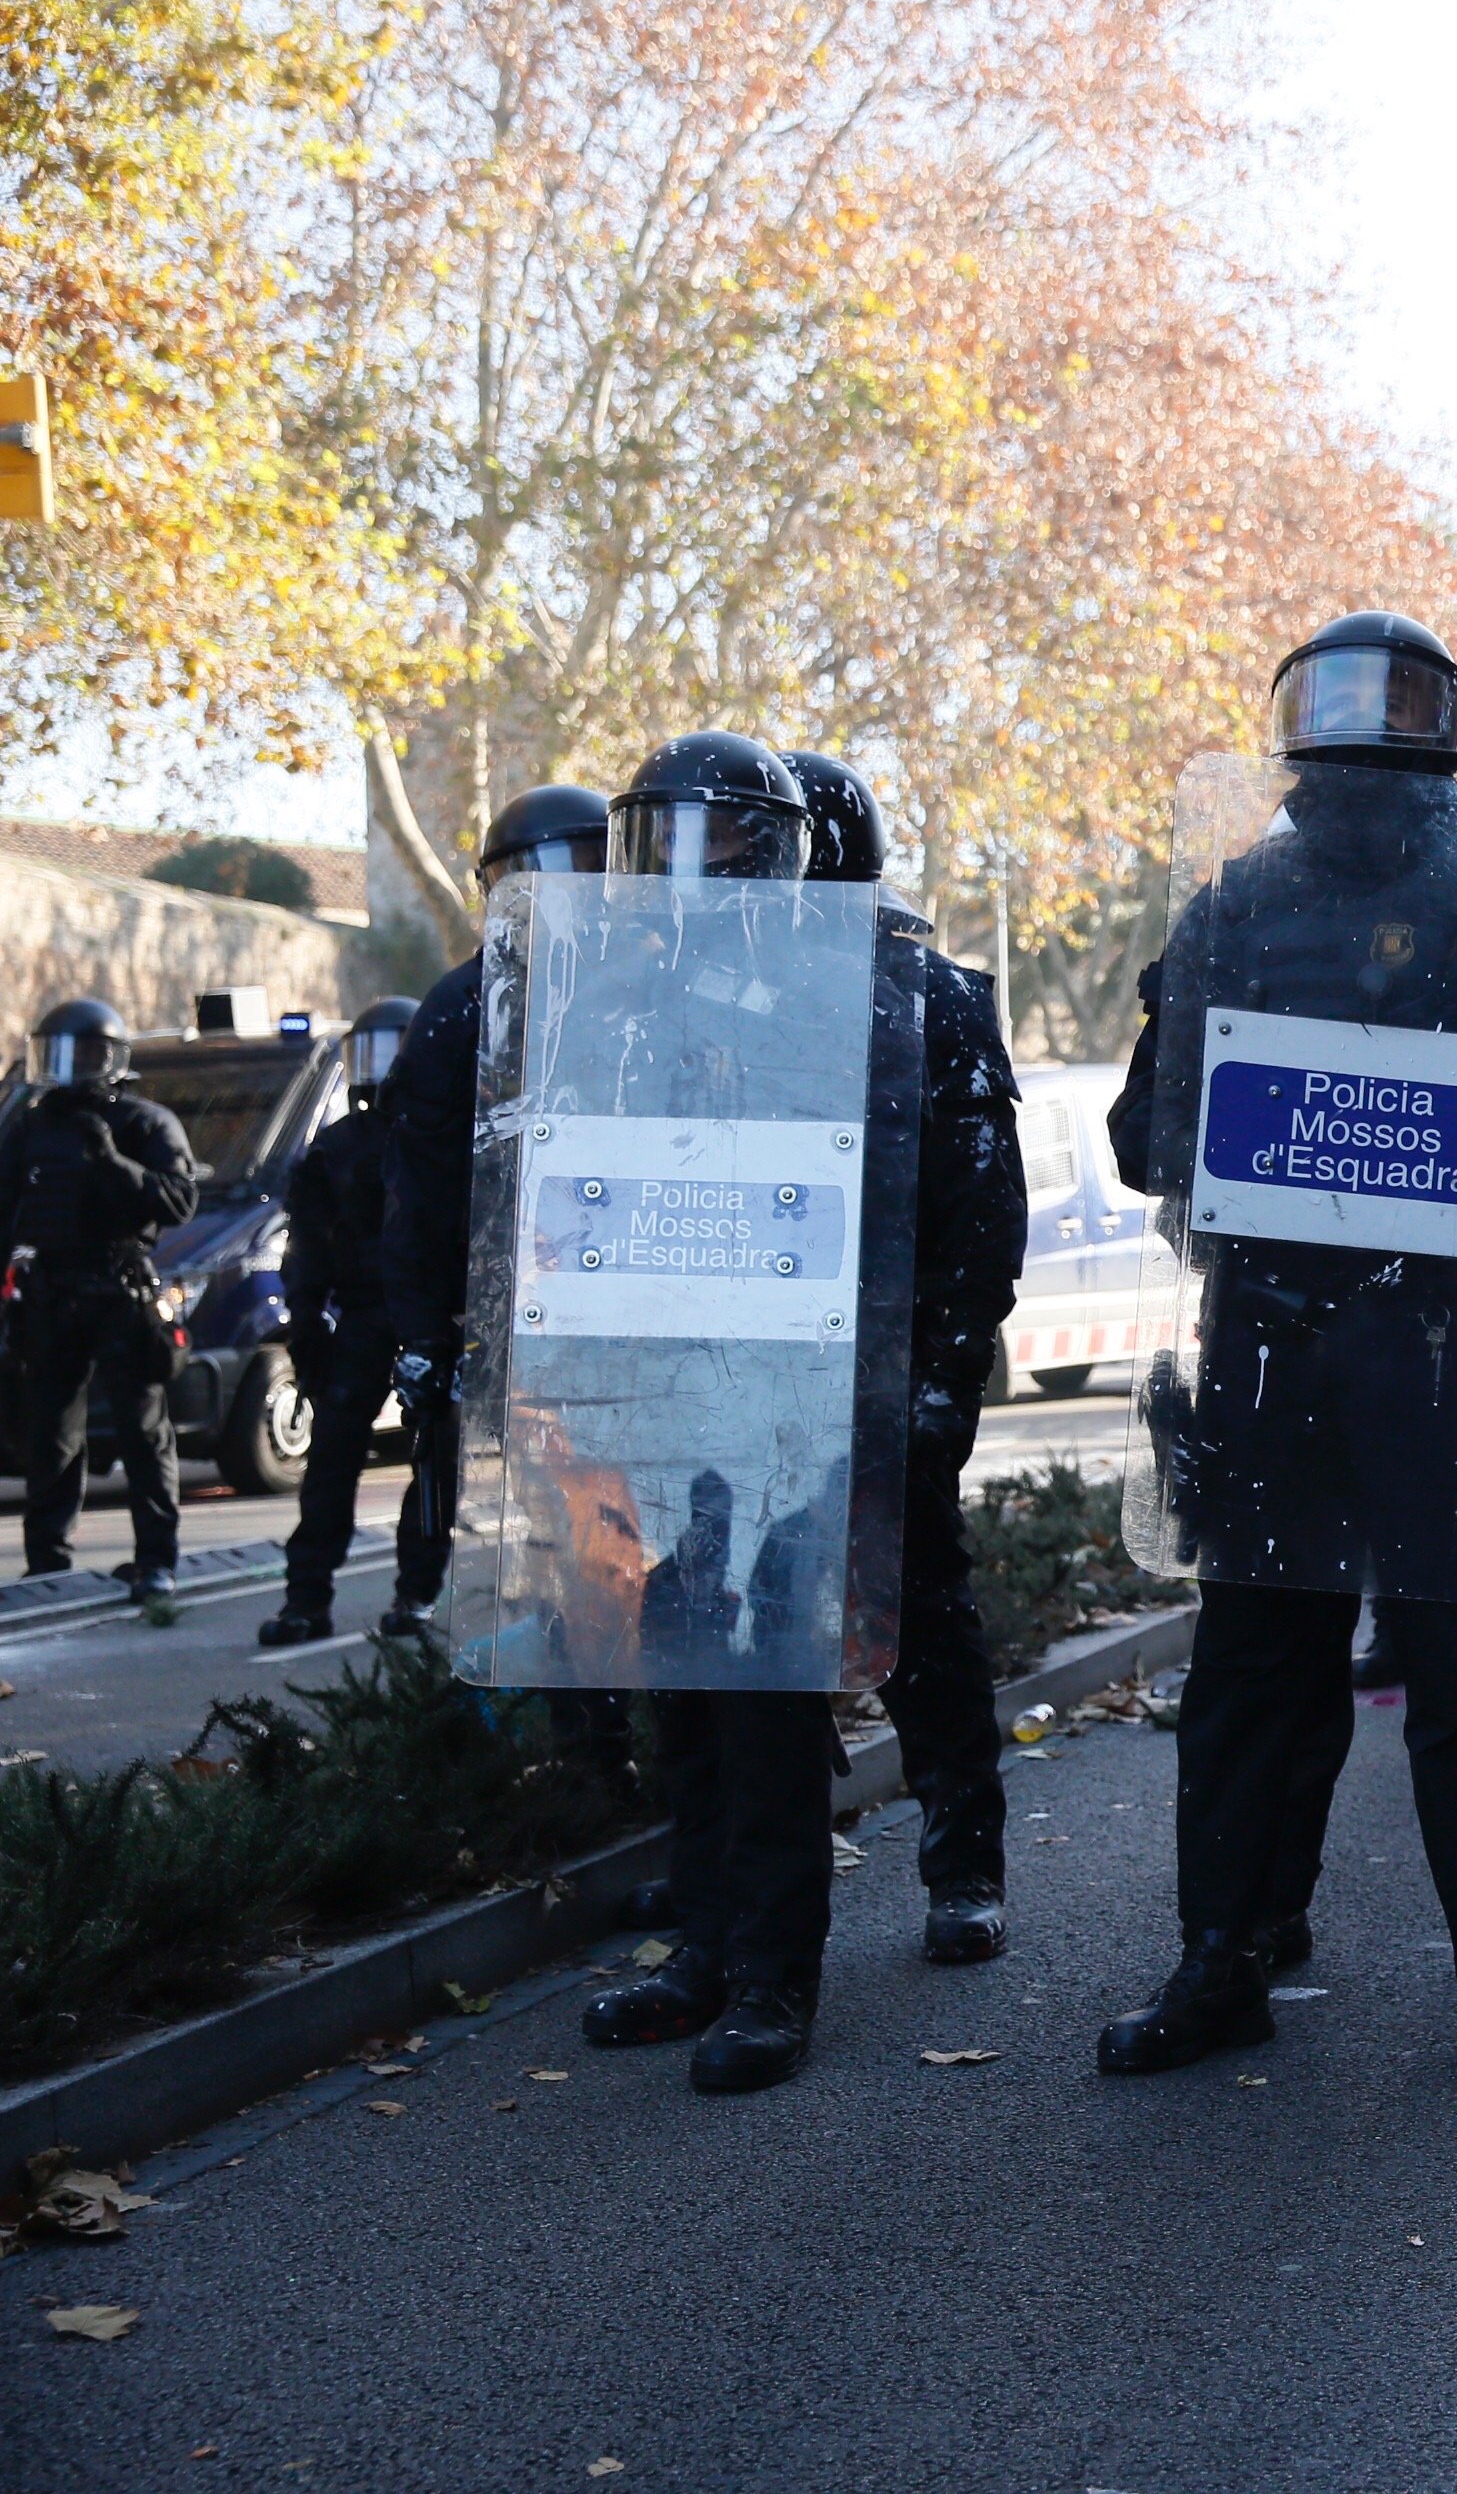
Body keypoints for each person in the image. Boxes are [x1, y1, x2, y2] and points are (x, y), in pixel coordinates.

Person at [1093, 610, 1457, 2092]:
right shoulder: (1230, 912)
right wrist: (1189, 1049)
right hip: (1270, 1345)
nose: (1360, 766)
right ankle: (1223, 1960)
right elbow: (1142, 1145)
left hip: (1436, 1349)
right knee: (1255, 1675)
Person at [559, 733, 985, 2091]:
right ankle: (701, 1945)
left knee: (767, 1690)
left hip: (807, 1383)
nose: (693, 872)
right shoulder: (629, 994)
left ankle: (770, 1979)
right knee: (682, 1669)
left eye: (724, 839)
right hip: (673, 1377)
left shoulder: (864, 996)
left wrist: (926, 1384)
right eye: (666, 842)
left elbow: (962, 1212)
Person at [780, 749, 1031, 1958]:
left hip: (886, 1365)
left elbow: (982, 1211)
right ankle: (746, 1891)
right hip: (753, 1370)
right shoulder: (713, 993)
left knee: (919, 1616)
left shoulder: (923, 995)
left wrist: (936, 1378)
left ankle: (962, 1861)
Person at [379, 782, 613, 1640]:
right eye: (536, 876)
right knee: (532, 1562)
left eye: (586, 870)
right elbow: (422, 1193)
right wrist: (428, 1341)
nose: (560, 896)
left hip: (633, 1313)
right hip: (514, 1315)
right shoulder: (461, 1010)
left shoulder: (652, 983)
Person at [5, 998, 202, 1615]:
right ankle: (47, 1565)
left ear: (111, 1058)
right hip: (52, 1291)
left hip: (120, 1289)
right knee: (51, 1437)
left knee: (144, 1435)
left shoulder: (145, 1122)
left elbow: (178, 1202)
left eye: (84, 1054)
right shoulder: (29, 1126)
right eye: (58, 1054)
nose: (70, 1068)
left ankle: (156, 1563)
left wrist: (113, 1164)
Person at [257, 1000, 419, 1648]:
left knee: (434, 1464)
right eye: (369, 1052)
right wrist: (305, 1324)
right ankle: (306, 1599)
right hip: (361, 1315)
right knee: (330, 1463)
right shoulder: (335, 1147)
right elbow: (307, 1245)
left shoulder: (444, 1140)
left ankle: (418, 1594)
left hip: (427, 1317)